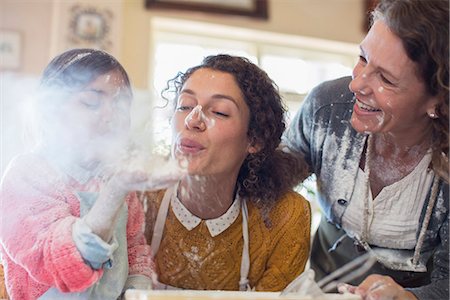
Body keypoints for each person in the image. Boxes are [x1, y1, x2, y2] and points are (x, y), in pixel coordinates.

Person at [282, 0, 449, 299]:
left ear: (437, 100)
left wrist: (408, 298)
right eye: (362, 57)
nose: (356, 84)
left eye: (385, 78)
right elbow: (273, 179)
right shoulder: (326, 108)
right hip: (321, 288)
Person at [0, 48, 182, 299]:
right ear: (50, 110)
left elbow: (135, 251)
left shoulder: (113, 176)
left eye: (120, 104)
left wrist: (139, 290)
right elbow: (58, 262)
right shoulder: (27, 175)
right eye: (91, 102)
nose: (110, 116)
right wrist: (114, 192)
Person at [142, 54, 311, 291]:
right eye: (185, 106)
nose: (192, 120)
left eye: (219, 112)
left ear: (254, 139)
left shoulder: (284, 217)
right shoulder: (137, 198)